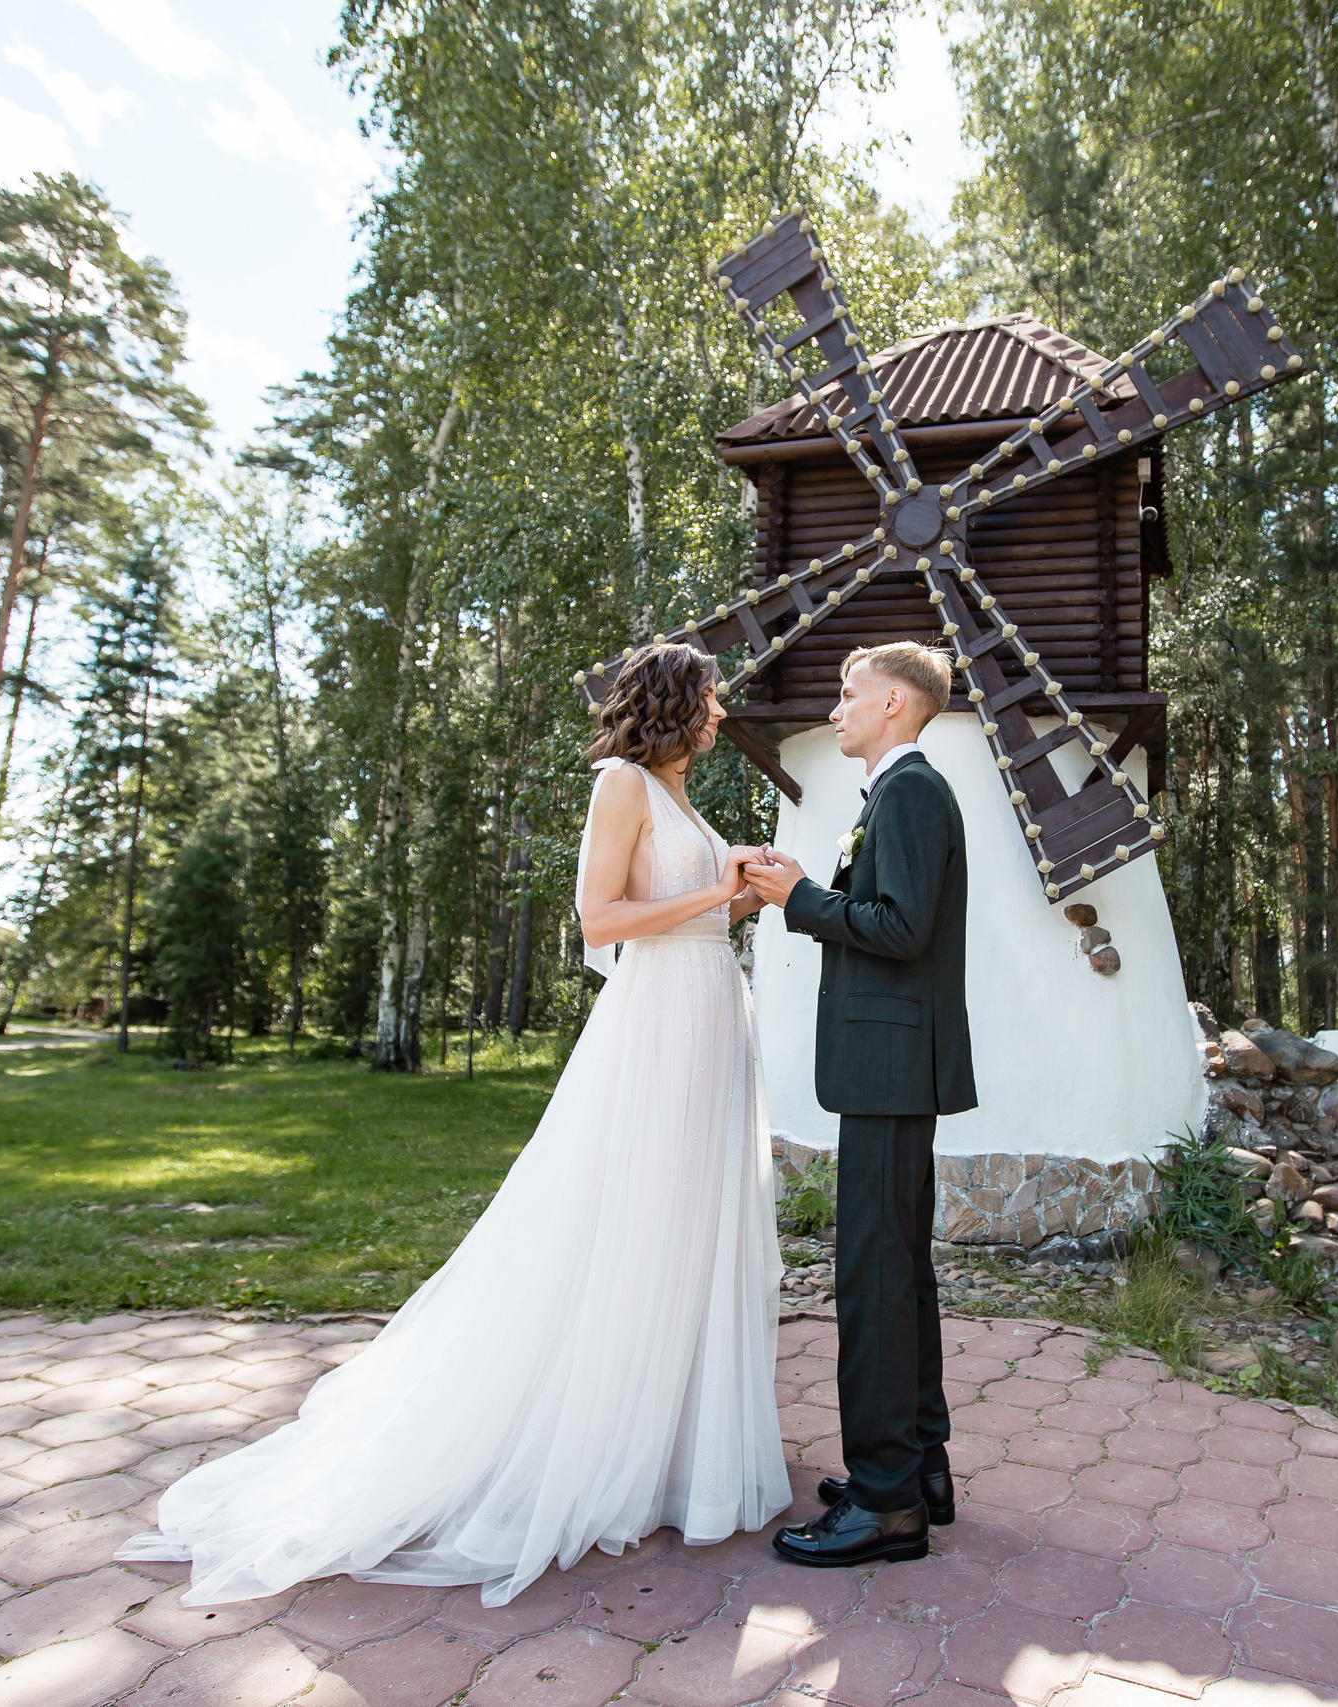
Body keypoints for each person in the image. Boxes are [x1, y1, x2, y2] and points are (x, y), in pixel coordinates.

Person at [115, 643, 788, 1608]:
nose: (724, 714)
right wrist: (717, 892)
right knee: (635, 1214)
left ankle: (677, 1439)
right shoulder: (623, 783)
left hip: (709, 1013)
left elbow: (674, 896)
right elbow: (600, 919)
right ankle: (596, 1439)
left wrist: (732, 871)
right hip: (660, 1019)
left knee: (688, 1219)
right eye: (713, 699)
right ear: (678, 703)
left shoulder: (680, 794)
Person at [742, 640, 976, 1567]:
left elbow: (901, 928)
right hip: (890, 1065)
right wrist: (813, 888)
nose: (834, 709)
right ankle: (917, 1467)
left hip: (887, 1067)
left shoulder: (912, 791)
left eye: (848, 694)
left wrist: (799, 897)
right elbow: (888, 913)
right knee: (898, 1270)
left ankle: (885, 1503)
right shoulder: (898, 791)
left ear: (893, 705)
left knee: (873, 1280)